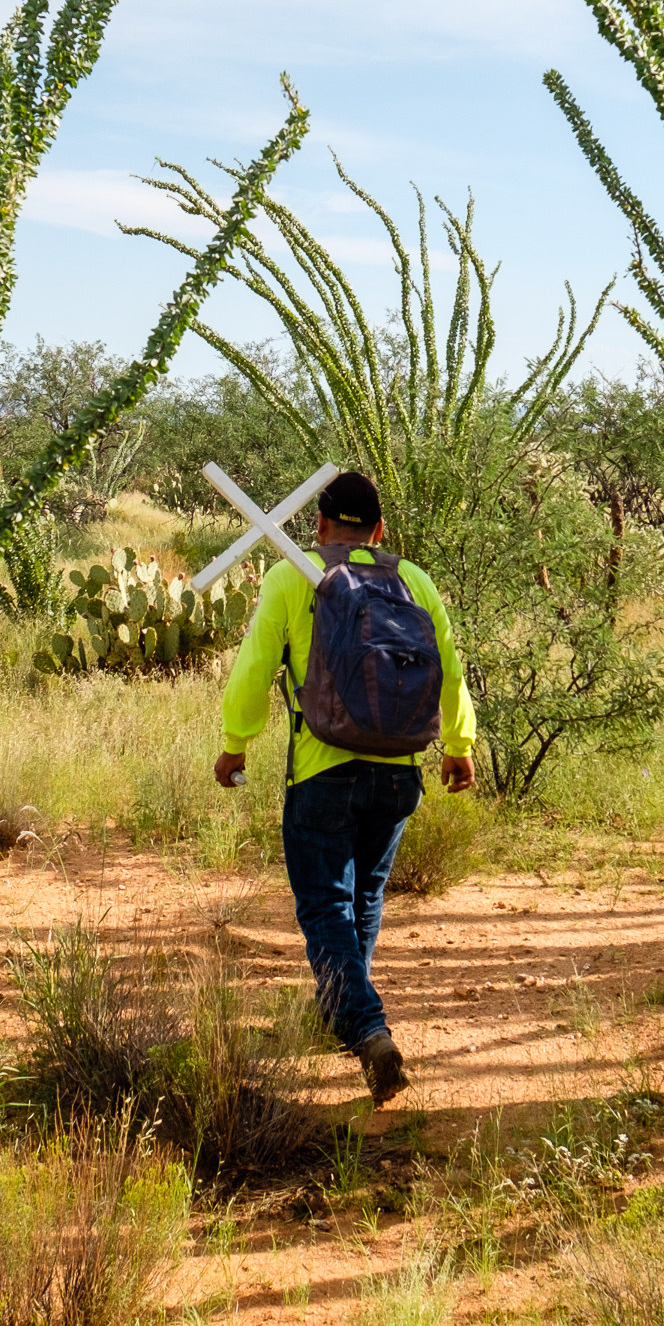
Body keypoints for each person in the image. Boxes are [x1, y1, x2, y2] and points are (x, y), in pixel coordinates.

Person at [213, 470, 475, 1105]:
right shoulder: (413, 581)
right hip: (399, 773)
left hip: (323, 770)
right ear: (380, 530)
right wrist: (460, 747)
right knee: (364, 898)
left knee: (326, 905)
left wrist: (235, 742)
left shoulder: (294, 579)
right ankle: (343, 1017)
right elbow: (449, 665)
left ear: (321, 526)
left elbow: (254, 670)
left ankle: (366, 1029)